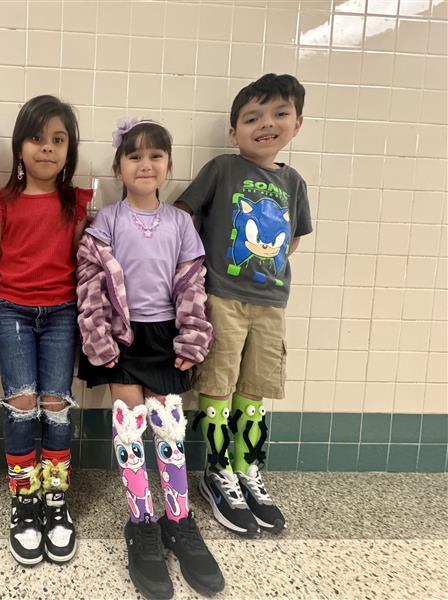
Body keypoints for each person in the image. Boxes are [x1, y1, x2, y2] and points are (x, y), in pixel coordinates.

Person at [77, 119, 224, 598]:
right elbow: (91, 282)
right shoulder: (108, 221)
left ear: (168, 166)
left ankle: (178, 518)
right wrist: (97, 336)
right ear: (119, 166)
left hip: (164, 337)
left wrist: (192, 337)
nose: (145, 163)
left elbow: (192, 286)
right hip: (121, 337)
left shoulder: (181, 223)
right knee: (128, 422)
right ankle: (141, 521)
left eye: (155, 155)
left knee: (169, 424)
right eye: (135, 155)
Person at [175, 73, 312, 536]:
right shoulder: (223, 169)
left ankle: (246, 469)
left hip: (272, 304)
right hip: (223, 299)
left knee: (254, 390)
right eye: (252, 118)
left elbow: (292, 239)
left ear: (297, 123)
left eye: (279, 114)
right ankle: (216, 473)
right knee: (218, 385)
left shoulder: (293, 182)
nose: (265, 124)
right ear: (234, 132)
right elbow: (183, 212)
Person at [0, 95, 90, 565]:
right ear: (19, 145)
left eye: (58, 139)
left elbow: (80, 262)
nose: (46, 148)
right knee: (22, 402)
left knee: (55, 404)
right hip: (12, 310)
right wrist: (17, 296)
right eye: (36, 138)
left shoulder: (76, 202)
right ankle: (24, 500)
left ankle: (55, 497)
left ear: (69, 150)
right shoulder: (2, 202)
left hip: (62, 312)